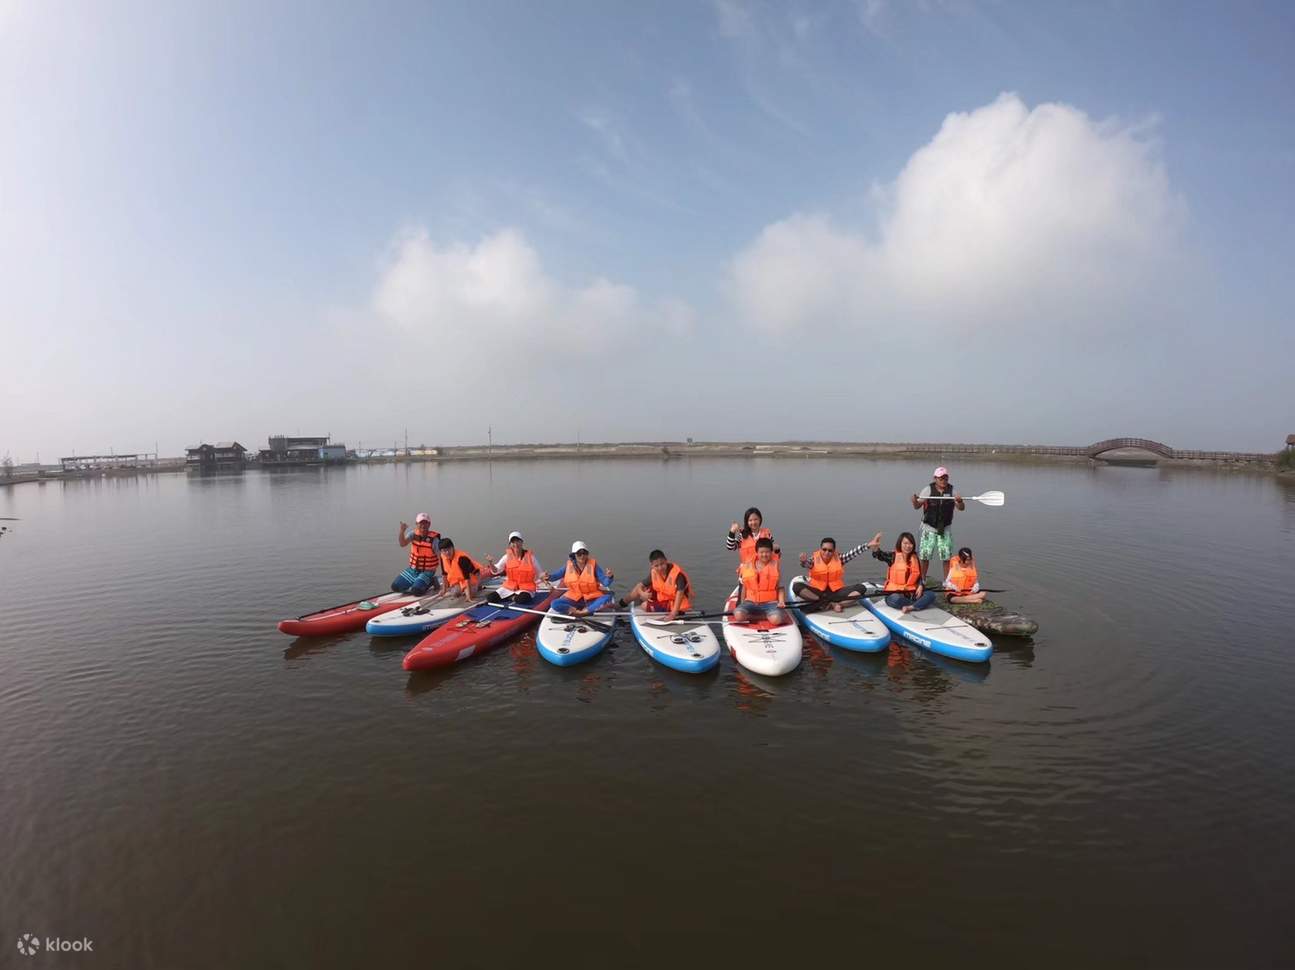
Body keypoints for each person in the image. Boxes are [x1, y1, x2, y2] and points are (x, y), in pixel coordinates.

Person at [910, 466, 964, 582]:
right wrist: (914, 500)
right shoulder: (927, 490)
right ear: (935, 478)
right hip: (928, 528)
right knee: (924, 557)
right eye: (940, 478)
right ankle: (922, 580)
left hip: (945, 529)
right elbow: (917, 506)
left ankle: (947, 582)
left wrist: (960, 502)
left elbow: (961, 508)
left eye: (945, 478)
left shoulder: (953, 491)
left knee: (946, 558)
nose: (943, 480)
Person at [795, 537, 872, 613]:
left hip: (836, 592)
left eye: (830, 550)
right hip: (818, 592)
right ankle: (828, 602)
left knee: (861, 588)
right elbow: (807, 564)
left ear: (834, 551)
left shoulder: (840, 558)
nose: (827, 552)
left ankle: (837, 604)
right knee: (797, 586)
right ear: (820, 549)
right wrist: (803, 561)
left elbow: (854, 553)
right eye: (824, 549)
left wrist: (867, 545)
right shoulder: (814, 560)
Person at [869, 531, 936, 614]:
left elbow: (918, 576)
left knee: (931, 595)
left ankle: (911, 607)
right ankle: (919, 604)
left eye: (910, 543)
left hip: (910, 593)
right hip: (894, 594)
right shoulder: (892, 556)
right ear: (900, 544)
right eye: (905, 543)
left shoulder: (914, 558)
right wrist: (876, 549)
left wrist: (921, 585)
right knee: (896, 599)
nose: (908, 546)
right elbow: (880, 555)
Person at [618, 550, 693, 621]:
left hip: (676, 604)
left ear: (666, 561)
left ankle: (648, 605)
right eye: (656, 566)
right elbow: (639, 585)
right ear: (652, 565)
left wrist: (673, 614)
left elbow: (680, 594)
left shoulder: (677, 574)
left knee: (644, 605)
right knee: (642, 590)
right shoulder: (654, 572)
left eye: (662, 564)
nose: (660, 568)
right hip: (664, 597)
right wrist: (642, 593)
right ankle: (620, 604)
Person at [545, 541, 615, 617]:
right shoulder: (568, 566)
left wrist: (609, 577)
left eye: (584, 553)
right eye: (579, 553)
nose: (582, 556)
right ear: (574, 555)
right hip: (574, 598)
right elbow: (555, 576)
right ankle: (574, 610)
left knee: (607, 597)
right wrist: (548, 577)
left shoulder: (593, 565)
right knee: (555, 604)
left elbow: (605, 583)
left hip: (591, 598)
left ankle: (583, 612)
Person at [733, 537, 788, 625]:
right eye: (761, 552)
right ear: (757, 553)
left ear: (771, 552)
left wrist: (781, 601)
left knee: (776, 620)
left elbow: (780, 587)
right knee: (738, 615)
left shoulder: (776, 566)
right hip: (750, 602)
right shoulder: (748, 566)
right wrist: (742, 603)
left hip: (770, 603)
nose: (764, 555)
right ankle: (764, 616)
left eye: (767, 552)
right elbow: (744, 587)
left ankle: (771, 615)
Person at [483, 530, 546, 605]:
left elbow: (540, 573)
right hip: (510, 587)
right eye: (513, 542)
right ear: (510, 544)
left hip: (525, 588)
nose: (515, 544)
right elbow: (496, 570)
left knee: (522, 599)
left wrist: (546, 582)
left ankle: (511, 597)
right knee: (490, 598)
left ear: (522, 542)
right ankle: (512, 597)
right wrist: (491, 563)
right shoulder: (506, 557)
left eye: (518, 541)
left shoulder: (531, 557)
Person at [391, 513, 441, 595]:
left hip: (428, 571)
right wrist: (402, 531)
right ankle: (416, 582)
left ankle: (431, 581)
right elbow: (402, 544)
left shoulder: (434, 540)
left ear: (429, 524)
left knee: (416, 591)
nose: (423, 525)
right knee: (395, 587)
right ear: (416, 524)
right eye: (421, 523)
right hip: (413, 569)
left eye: (426, 523)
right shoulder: (413, 534)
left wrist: (445, 574)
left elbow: (441, 557)